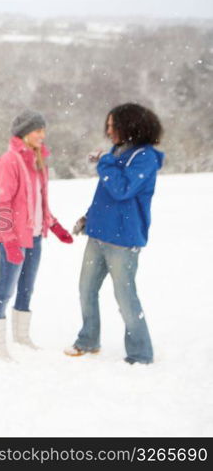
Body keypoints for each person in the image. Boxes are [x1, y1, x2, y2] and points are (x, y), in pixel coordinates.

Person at [66, 103, 163, 365]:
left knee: (125, 296)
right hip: (98, 235)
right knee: (86, 290)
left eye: (112, 125)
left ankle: (140, 353)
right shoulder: (117, 152)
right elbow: (106, 195)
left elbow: (122, 189)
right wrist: (89, 217)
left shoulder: (145, 157)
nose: (108, 131)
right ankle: (88, 340)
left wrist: (105, 162)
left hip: (123, 241)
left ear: (129, 126)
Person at [0, 110, 73, 359]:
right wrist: (9, 240)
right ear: (25, 133)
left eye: (43, 130)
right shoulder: (10, 161)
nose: (42, 135)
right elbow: (2, 203)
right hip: (14, 239)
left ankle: (21, 336)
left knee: (27, 288)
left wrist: (54, 225)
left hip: (35, 236)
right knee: (5, 290)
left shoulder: (37, 162)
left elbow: (39, 202)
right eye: (38, 130)